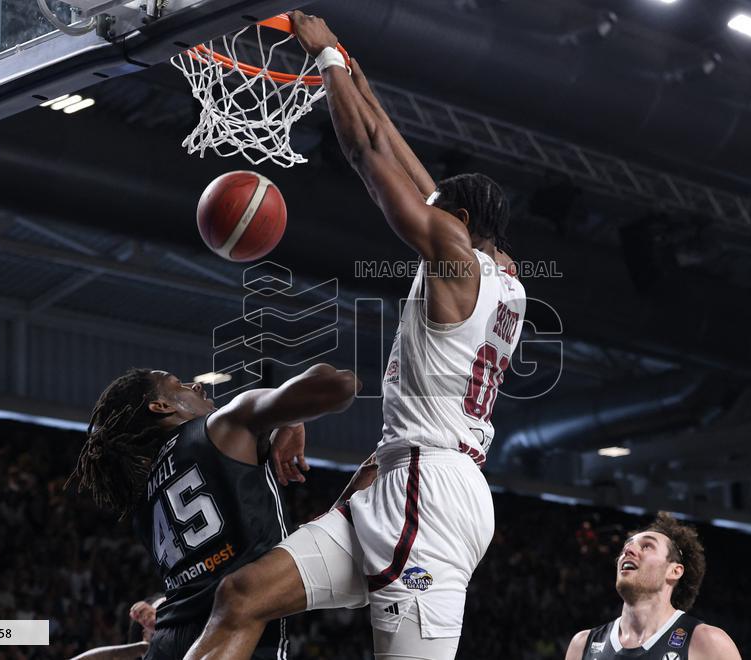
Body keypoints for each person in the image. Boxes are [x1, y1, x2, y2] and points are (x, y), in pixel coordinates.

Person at [184, 10, 526, 660]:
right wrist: (354, 71)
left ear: (454, 223)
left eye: (438, 211)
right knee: (243, 594)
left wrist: (328, 64)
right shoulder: (502, 275)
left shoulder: (454, 261)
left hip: (431, 491)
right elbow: (397, 149)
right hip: (405, 475)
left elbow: (371, 158)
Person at [69, 363, 359, 659]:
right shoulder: (225, 425)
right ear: (161, 406)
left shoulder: (143, 499)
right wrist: (287, 410)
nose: (197, 386)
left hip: (170, 644)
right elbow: (340, 386)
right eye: (179, 384)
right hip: (236, 641)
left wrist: (287, 416)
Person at [564, 513, 742, 660]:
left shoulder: (707, 643)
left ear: (674, 571)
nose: (628, 551)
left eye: (647, 546)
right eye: (627, 546)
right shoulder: (582, 645)